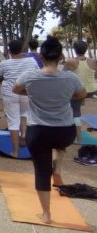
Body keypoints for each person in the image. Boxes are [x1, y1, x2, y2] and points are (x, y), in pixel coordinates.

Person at [13, 36, 86, 224]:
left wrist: (33, 92)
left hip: (39, 133)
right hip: (65, 132)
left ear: (42, 56)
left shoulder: (30, 76)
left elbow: (16, 90)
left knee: (42, 171)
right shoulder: (70, 77)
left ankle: (46, 214)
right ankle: (58, 168)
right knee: (59, 146)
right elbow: (81, 94)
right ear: (60, 56)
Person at [0, 40, 39, 157]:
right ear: (22, 49)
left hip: (10, 93)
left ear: (9, 50)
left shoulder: (5, 63)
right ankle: (23, 136)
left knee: (13, 121)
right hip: (26, 92)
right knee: (24, 115)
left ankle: (15, 151)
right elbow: (38, 73)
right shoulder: (31, 61)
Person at [64, 40, 97, 143]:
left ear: (74, 50)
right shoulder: (93, 61)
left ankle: (78, 138)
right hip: (92, 89)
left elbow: (63, 75)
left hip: (79, 91)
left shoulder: (70, 61)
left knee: (75, 112)